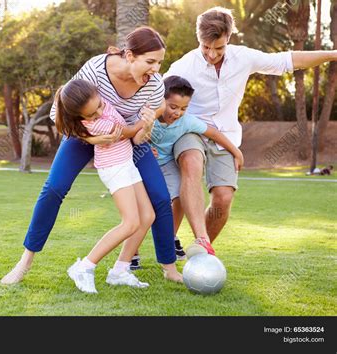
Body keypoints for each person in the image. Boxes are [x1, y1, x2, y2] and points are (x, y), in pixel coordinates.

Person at [1, 26, 183, 285]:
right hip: (83, 135)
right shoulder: (97, 69)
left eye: (160, 62)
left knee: (160, 197)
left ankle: (166, 267)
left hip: (126, 137)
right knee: (54, 188)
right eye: (150, 61)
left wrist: (149, 119)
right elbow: (58, 114)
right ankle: (25, 261)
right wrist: (93, 139)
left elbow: (158, 106)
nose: (156, 69)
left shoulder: (152, 83)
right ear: (130, 55)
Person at [163, 6, 337, 249]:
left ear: (229, 38)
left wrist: (333, 54)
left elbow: (287, 60)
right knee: (191, 163)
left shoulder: (242, 57)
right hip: (190, 131)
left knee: (223, 199)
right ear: (198, 39)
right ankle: (177, 245)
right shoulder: (183, 66)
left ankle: (199, 250)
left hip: (226, 136)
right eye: (206, 47)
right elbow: (155, 97)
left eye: (219, 48)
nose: (212, 54)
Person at [54, 79, 153, 293]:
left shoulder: (100, 101)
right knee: (130, 223)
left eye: (99, 105)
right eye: (90, 115)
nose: (98, 112)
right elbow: (127, 132)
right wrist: (146, 119)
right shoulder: (98, 124)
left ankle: (120, 270)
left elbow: (109, 105)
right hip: (114, 168)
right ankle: (84, 266)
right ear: (80, 116)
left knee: (147, 216)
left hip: (126, 163)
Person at [149, 75, 243, 258]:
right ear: (161, 101)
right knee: (142, 208)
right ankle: (132, 253)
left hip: (166, 165)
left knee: (179, 196)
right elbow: (132, 135)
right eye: (173, 107)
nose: (177, 113)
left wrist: (236, 151)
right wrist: (145, 149)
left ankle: (169, 241)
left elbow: (213, 133)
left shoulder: (187, 121)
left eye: (183, 108)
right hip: (146, 165)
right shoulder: (150, 117)